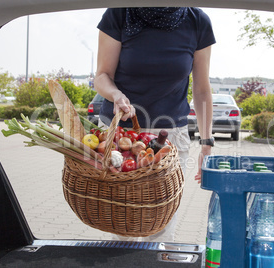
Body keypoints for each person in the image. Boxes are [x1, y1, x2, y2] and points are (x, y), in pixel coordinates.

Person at [94, 7, 215, 242]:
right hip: (122, 135)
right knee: (122, 224)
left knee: (162, 223)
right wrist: (115, 95)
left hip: (169, 138)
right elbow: (102, 76)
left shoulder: (197, 21)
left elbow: (201, 89)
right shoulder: (119, 14)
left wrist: (206, 144)